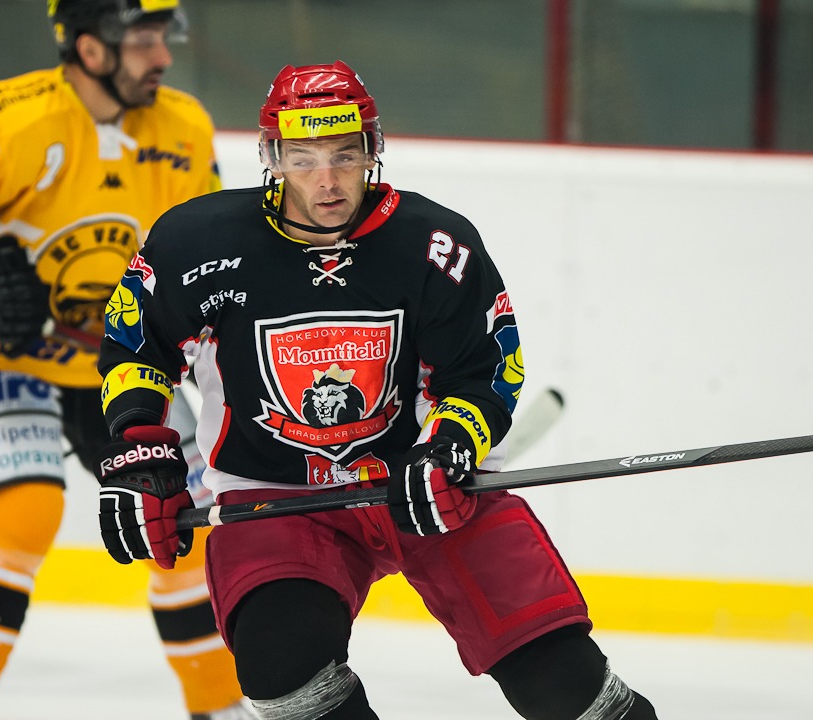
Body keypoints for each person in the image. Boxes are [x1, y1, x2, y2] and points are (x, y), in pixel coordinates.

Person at [91, 59, 660, 720]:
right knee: (283, 674)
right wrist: (143, 449)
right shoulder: (196, 243)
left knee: (568, 689)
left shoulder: (435, 245)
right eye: (304, 158)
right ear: (273, 157)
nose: (327, 180)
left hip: (429, 486)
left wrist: (451, 443)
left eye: (345, 154)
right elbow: (136, 346)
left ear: (373, 148)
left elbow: (485, 370)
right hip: (280, 497)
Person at [0, 1, 252, 719]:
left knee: (186, 523)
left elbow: (207, 260)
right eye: (143, 39)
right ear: (90, 47)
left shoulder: (185, 127)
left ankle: (220, 705)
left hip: (122, 364)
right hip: (0, 355)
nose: (163, 56)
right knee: (20, 516)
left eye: (162, 38)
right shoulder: (0, 123)